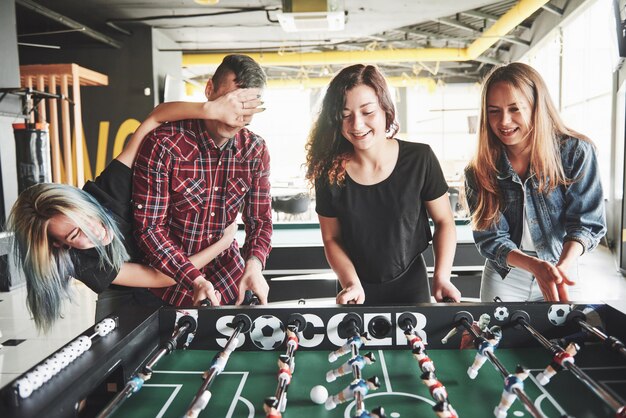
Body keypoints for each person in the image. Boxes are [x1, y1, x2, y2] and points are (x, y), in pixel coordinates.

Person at [6, 87, 263, 331]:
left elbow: (156, 117)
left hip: (164, 271)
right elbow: (159, 277)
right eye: (75, 235)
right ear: (60, 245)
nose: (94, 231)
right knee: (119, 360)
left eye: (85, 217)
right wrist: (224, 242)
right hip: (129, 291)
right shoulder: (81, 261)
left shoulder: (107, 191)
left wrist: (210, 110)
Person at [305, 63, 461, 305]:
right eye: (345, 115)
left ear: (386, 110)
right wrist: (350, 283)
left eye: (368, 112)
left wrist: (442, 277)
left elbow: (444, 221)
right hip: (354, 288)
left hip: (412, 285)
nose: (356, 125)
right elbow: (331, 238)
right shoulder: (329, 171)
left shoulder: (420, 158)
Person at [133, 54, 273, 307]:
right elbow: (149, 229)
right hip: (166, 288)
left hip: (229, 283)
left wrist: (254, 265)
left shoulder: (255, 149)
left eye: (247, 110)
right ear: (210, 90)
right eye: (232, 103)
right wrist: (194, 278)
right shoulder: (164, 143)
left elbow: (260, 221)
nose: (236, 118)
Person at [464, 62, 607, 303]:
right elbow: (492, 238)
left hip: (563, 269)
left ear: (536, 108)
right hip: (506, 276)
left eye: (515, 109)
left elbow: (586, 223)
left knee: (568, 340)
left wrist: (560, 267)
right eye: (494, 111)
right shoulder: (480, 168)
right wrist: (535, 266)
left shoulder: (576, 152)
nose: (504, 121)